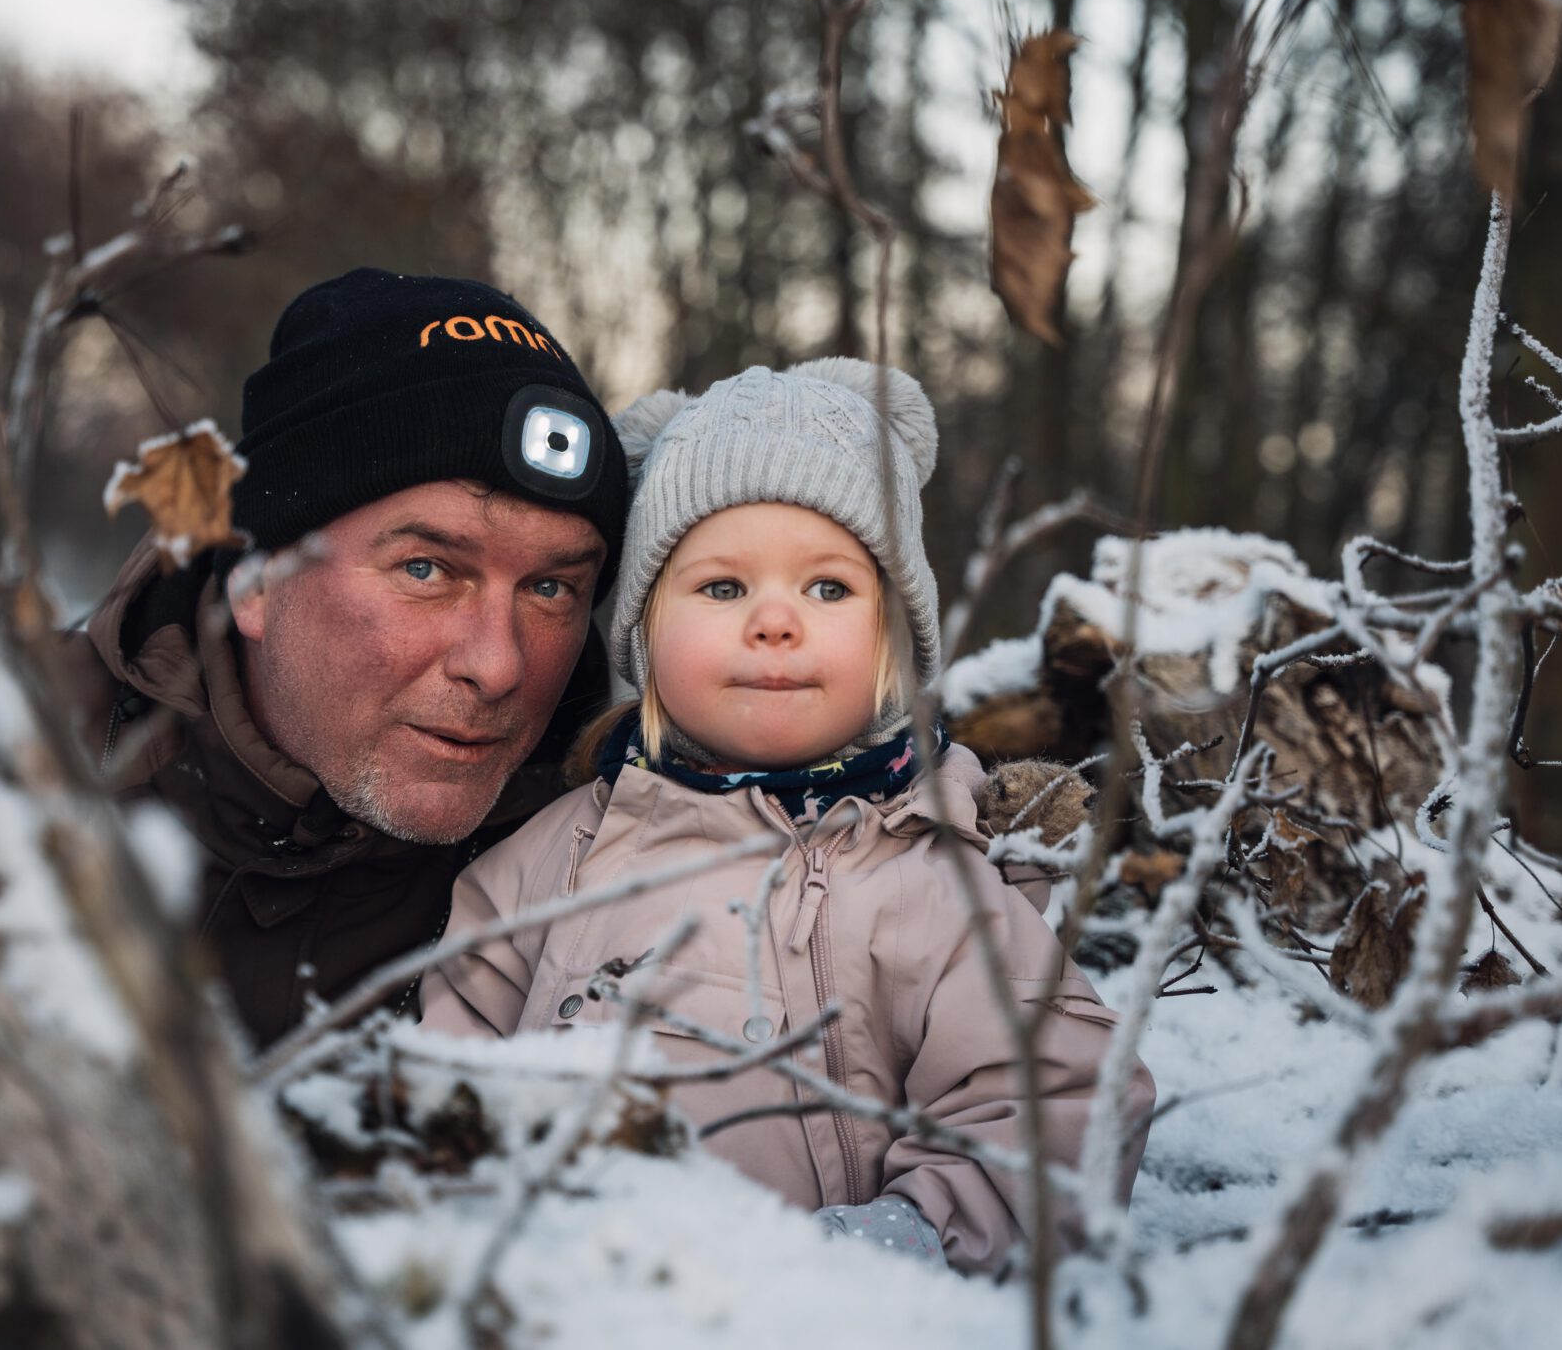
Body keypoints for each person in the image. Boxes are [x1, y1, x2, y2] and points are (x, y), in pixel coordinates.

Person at [419, 359, 1154, 1274]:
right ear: (646, 635)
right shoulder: (546, 865)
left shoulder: (933, 879)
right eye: (723, 588)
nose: (775, 621)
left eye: (829, 589)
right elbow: (442, 1092)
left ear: (895, 640)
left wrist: (887, 1252)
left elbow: (1058, 1105)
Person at [68, 268, 630, 1047]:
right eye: (426, 569)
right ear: (257, 578)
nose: (498, 666)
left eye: (549, 587)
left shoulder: (615, 872)